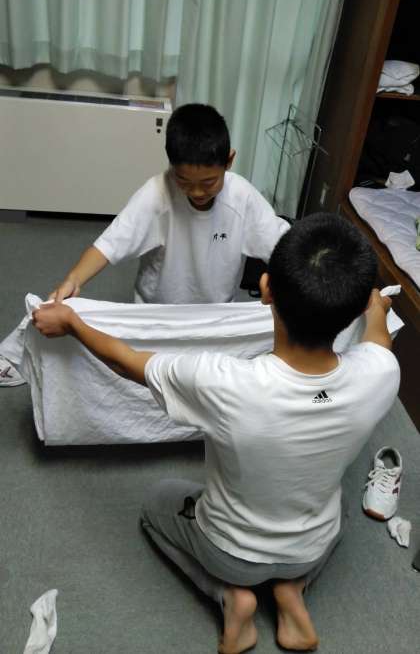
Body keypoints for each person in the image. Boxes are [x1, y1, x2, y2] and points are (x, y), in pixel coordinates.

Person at [32, 213, 400, 652]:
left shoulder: (224, 383)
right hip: (309, 548)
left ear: (266, 289)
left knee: (156, 502)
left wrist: (73, 324)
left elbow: (127, 362)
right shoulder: (380, 374)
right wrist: (375, 309)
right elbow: (378, 341)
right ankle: (291, 590)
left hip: (230, 552)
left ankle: (230, 598)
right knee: (336, 508)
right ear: (357, 308)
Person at [0, 102, 289, 386]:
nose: (197, 192)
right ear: (171, 165)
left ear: (229, 161)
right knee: (133, 378)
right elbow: (109, 244)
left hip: (214, 319)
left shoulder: (242, 198)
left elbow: (284, 246)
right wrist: (73, 279)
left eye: (209, 182)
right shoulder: (156, 194)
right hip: (156, 316)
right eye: (184, 181)